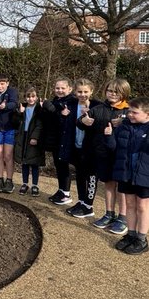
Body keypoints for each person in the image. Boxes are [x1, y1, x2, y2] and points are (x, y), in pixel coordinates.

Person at [107, 98, 149, 255]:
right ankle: (131, 234)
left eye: (134, 112)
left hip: (144, 175)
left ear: (147, 114)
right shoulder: (124, 126)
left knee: (142, 207)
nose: (129, 114)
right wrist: (109, 135)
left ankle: (141, 239)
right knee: (130, 204)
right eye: (129, 111)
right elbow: (113, 146)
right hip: (126, 172)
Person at [90, 78, 131, 235]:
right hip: (104, 153)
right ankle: (109, 214)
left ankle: (123, 217)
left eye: (116, 92)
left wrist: (123, 123)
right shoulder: (101, 107)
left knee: (121, 187)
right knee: (108, 184)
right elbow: (84, 121)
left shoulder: (128, 110)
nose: (112, 94)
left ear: (123, 93)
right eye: (110, 91)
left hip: (121, 155)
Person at [64, 78, 104, 219]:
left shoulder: (98, 106)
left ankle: (88, 206)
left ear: (91, 91)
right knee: (80, 175)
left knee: (91, 177)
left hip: (92, 148)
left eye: (86, 91)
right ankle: (81, 201)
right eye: (79, 91)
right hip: (76, 146)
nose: (82, 94)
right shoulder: (70, 105)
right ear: (74, 92)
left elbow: (102, 125)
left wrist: (92, 120)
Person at [41, 76, 75, 204]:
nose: (59, 90)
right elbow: (50, 120)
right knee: (59, 165)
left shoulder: (72, 102)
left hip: (65, 140)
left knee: (64, 166)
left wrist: (54, 111)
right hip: (55, 140)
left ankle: (66, 193)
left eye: (62, 88)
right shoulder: (56, 100)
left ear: (70, 88)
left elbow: (64, 121)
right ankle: (61, 190)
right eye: (57, 88)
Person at [12, 87, 45, 194]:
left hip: (33, 137)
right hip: (23, 137)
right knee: (24, 163)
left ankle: (35, 185)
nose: (30, 99)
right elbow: (15, 123)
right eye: (28, 97)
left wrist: (35, 137)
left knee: (34, 163)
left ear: (36, 97)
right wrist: (20, 113)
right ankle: (25, 183)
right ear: (25, 98)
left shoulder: (39, 109)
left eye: (33, 96)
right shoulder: (22, 108)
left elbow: (40, 125)